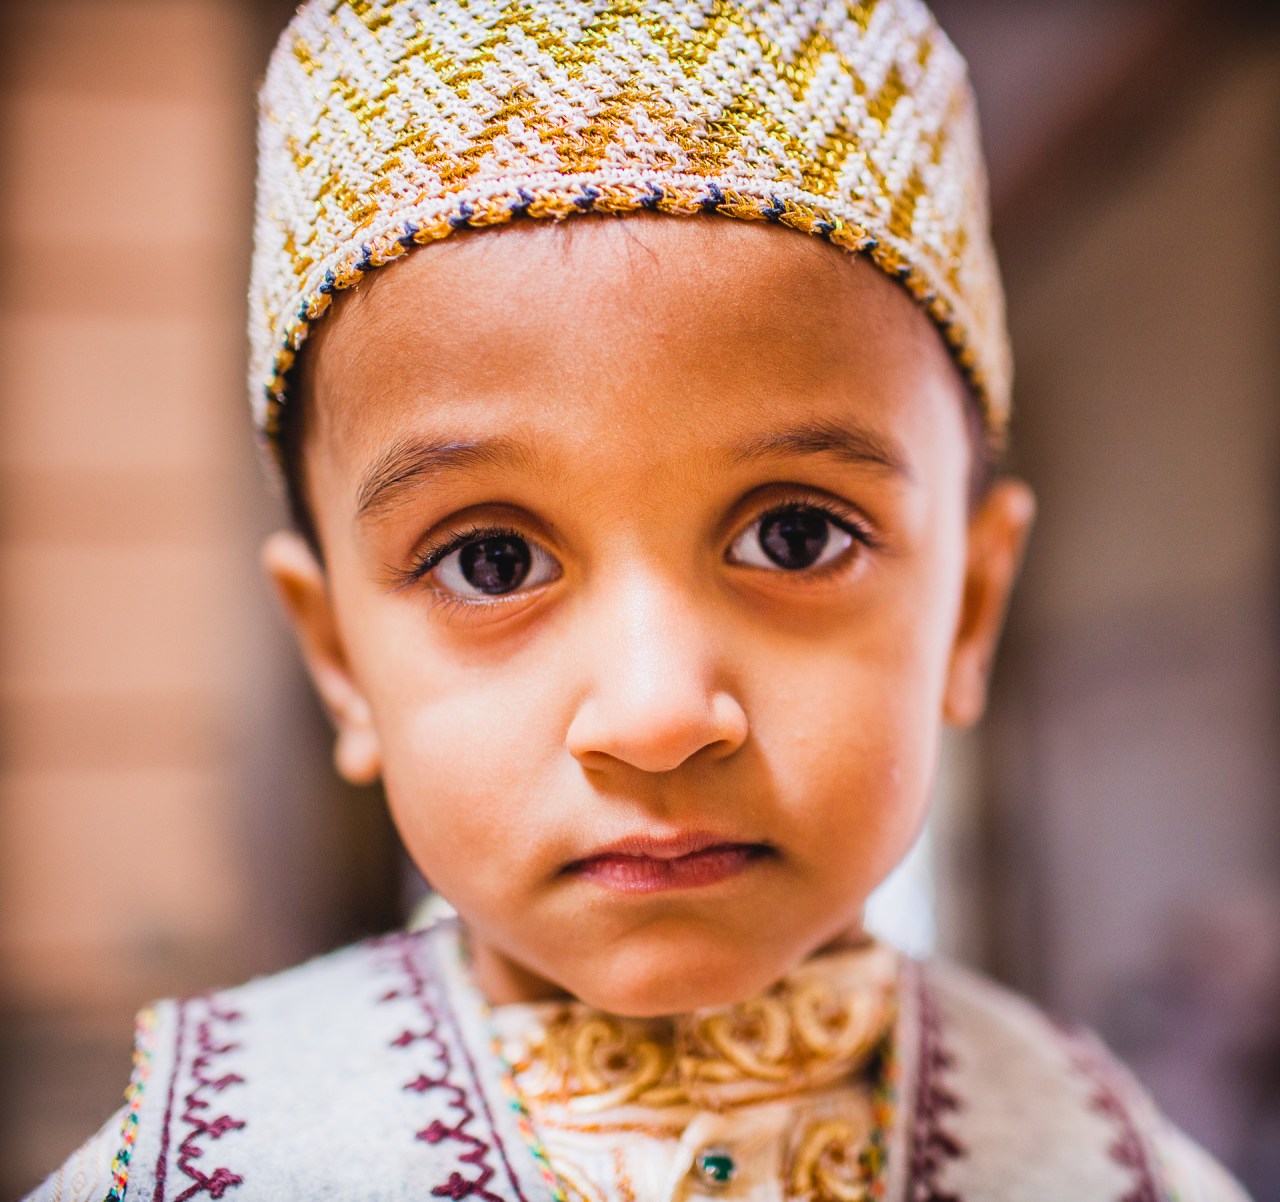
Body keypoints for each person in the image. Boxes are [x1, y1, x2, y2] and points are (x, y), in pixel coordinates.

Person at [26, 0, 1251, 1198]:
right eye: (490, 560)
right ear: (337, 653)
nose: (659, 712)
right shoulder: (208, 1154)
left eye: (794, 534)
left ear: (970, 608)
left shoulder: (1101, 1156)